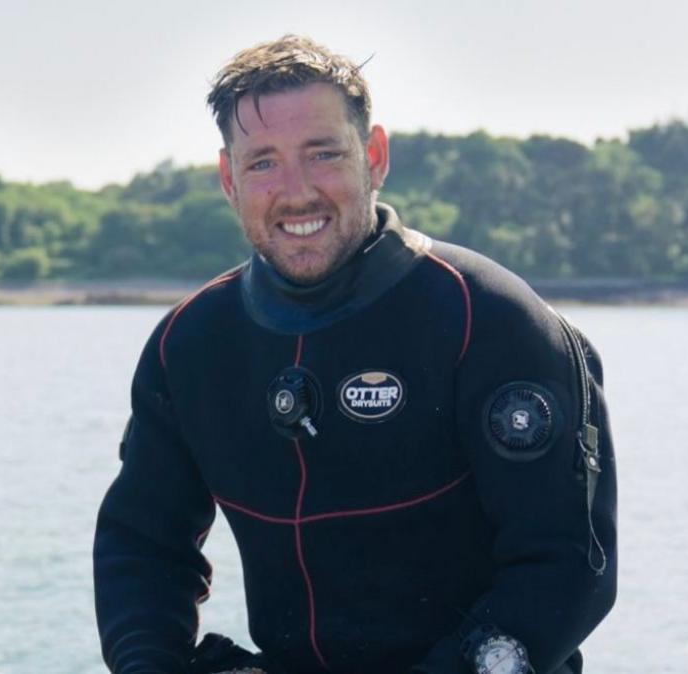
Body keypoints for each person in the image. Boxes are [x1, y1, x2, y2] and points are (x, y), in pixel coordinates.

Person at [93, 35, 616, 674]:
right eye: (263, 163)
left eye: (323, 154)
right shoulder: (193, 343)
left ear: (374, 155)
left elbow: (567, 564)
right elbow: (142, 545)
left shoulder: (489, 318)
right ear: (229, 178)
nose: (297, 192)